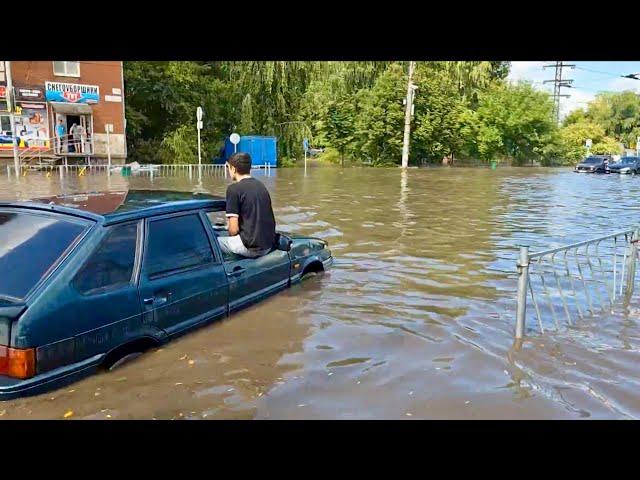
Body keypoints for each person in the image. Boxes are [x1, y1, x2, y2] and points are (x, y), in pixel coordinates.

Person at [218, 152, 276, 258]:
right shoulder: (261, 186)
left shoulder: (233, 189)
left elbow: (233, 230)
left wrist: (229, 228)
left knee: (214, 243)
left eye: (229, 168)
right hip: (268, 245)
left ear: (234, 169)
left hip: (250, 248)